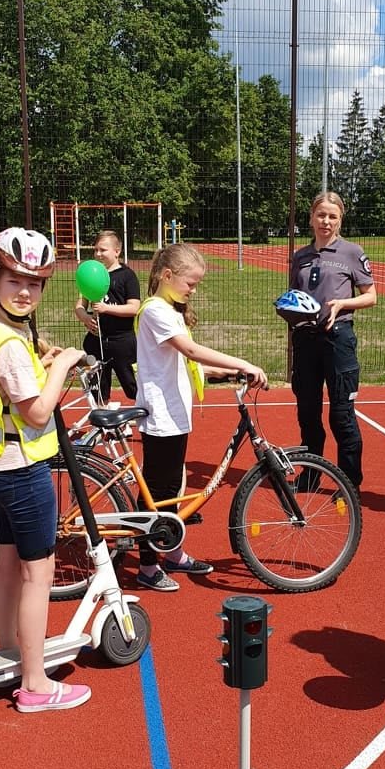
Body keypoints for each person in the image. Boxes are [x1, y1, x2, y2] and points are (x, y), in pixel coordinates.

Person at [0, 227, 91, 714]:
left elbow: (12, 387)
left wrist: (42, 364)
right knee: (39, 573)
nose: (25, 291)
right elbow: (36, 412)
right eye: (15, 281)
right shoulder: (8, 343)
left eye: (35, 283)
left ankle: (10, 651)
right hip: (23, 470)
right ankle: (35, 683)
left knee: (9, 564)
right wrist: (64, 364)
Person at [134, 243, 268, 592]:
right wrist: (242, 362)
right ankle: (147, 566)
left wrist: (224, 372)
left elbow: (183, 362)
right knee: (158, 492)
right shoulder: (156, 310)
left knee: (171, 490)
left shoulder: (170, 310)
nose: (193, 290)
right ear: (167, 276)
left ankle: (172, 552)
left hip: (174, 413)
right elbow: (190, 350)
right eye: (190, 283)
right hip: (161, 414)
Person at [287, 191, 377, 492]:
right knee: (307, 413)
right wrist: (288, 309)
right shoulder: (300, 256)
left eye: (332, 216)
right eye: (321, 215)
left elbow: (371, 296)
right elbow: (295, 296)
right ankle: (311, 475)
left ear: (340, 220)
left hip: (338, 339)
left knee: (341, 416)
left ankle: (349, 483)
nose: (326, 221)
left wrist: (342, 304)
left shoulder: (352, 252)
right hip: (305, 340)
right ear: (312, 218)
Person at [73, 230, 140, 403]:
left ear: (117, 251)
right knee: (99, 388)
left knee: (133, 386)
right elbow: (80, 306)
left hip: (122, 341)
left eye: (103, 250)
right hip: (97, 340)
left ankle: (148, 412)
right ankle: (102, 414)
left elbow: (134, 308)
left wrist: (106, 308)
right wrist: (85, 318)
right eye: (96, 250)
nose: (98, 254)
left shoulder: (127, 276)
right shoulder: (92, 275)